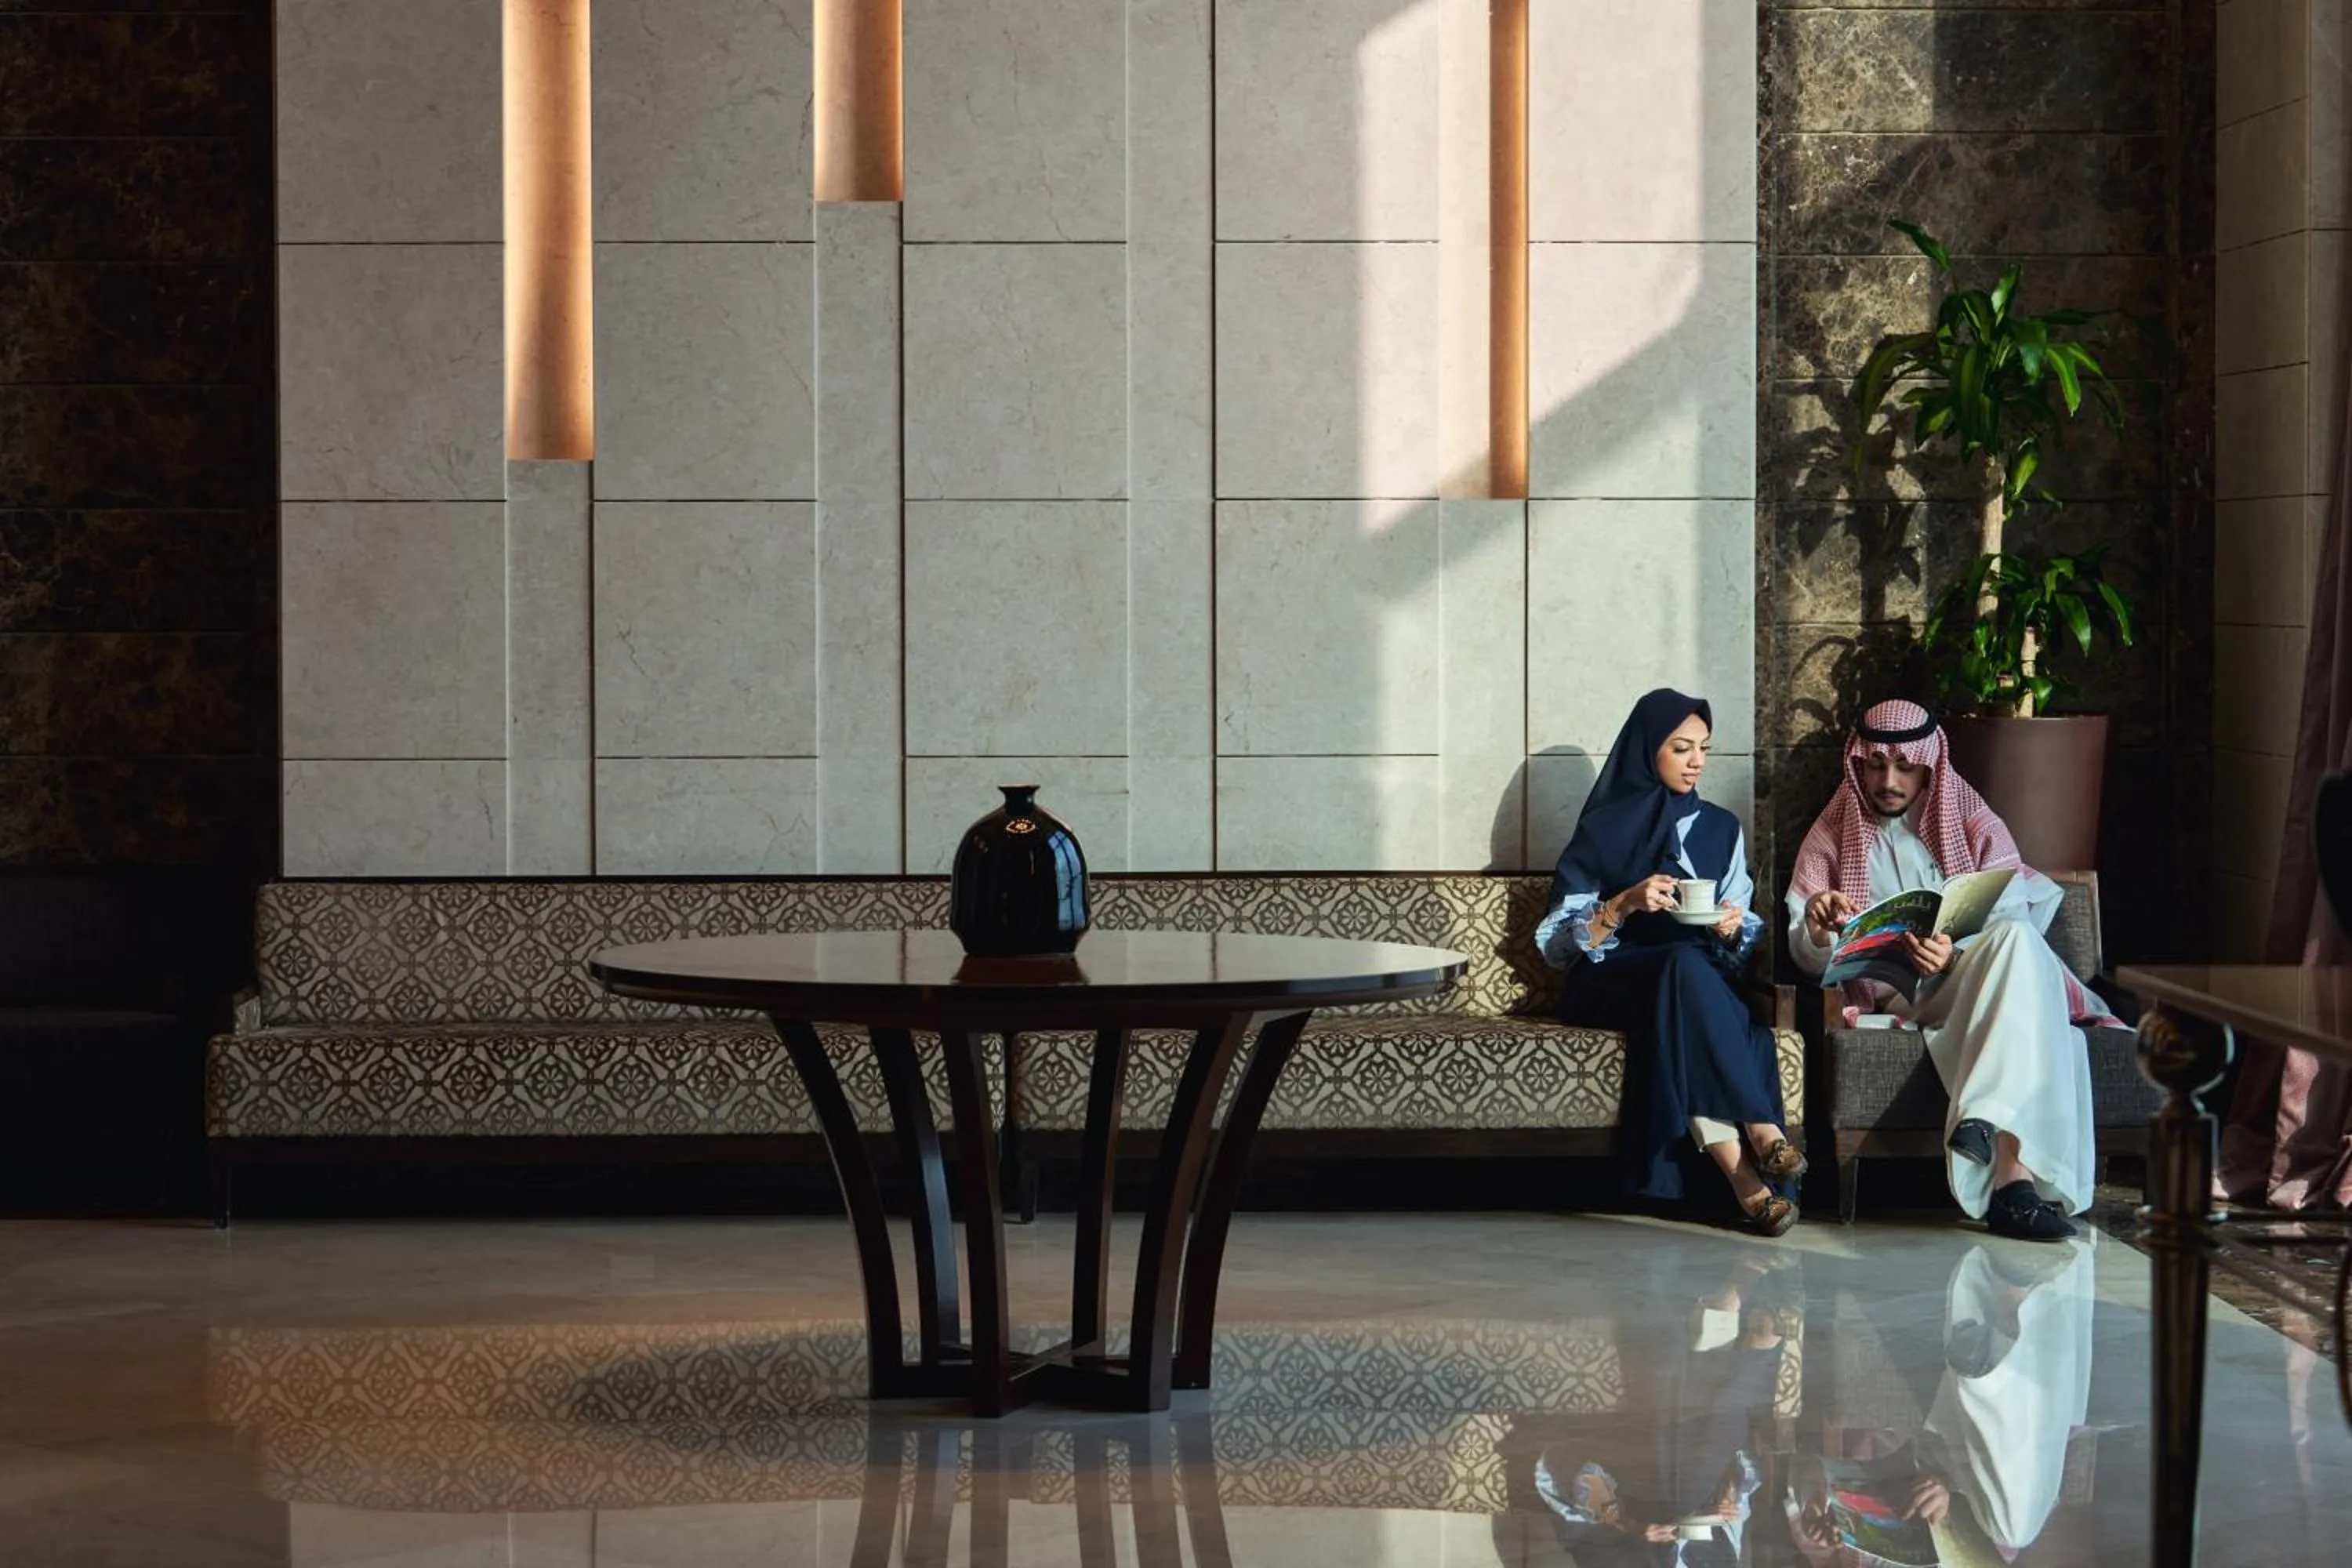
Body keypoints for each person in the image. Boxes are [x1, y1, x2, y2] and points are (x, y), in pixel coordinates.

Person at [1785, 699, 2112, 1243]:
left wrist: (1954, 955)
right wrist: (1819, 929)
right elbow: (1805, 950)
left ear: (1930, 765)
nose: (1888, 781)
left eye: (1905, 767)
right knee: (2021, 965)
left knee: (2016, 938)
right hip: (1897, 993)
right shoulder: (1829, 835)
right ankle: (1995, 1146)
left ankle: (2010, 1177)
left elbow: (2009, 915)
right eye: (1875, 766)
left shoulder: (1972, 820)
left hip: (1971, 979)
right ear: (1858, 762)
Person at [1537, 688, 1801, 1235]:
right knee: (1693, 982)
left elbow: (1743, 924)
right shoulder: (1602, 830)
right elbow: (1558, 947)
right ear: (1647, 750)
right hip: (1614, 978)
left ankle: (1747, 1186)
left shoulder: (1722, 827)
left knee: (1687, 986)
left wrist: (1733, 925)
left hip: (1690, 975)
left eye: (1704, 748)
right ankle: (1762, 1130)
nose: (1697, 762)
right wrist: (1622, 905)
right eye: (1681, 748)